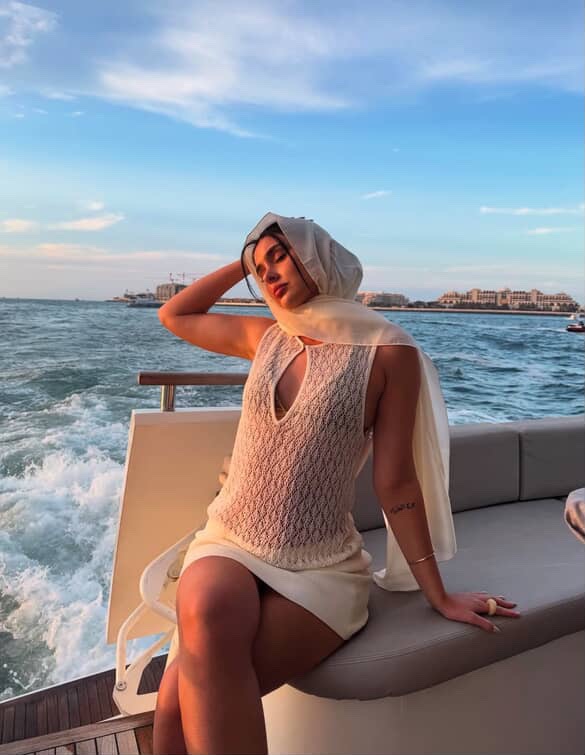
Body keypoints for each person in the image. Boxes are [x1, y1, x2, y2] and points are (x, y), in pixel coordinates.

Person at [152, 213, 521, 755]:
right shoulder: (267, 336)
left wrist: (437, 593)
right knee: (204, 614)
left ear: (315, 256)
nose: (268, 272)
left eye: (279, 256)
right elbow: (175, 313)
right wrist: (244, 261)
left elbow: (396, 483)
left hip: (320, 565)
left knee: (176, 703)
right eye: (260, 266)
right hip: (230, 539)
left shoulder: (389, 353)